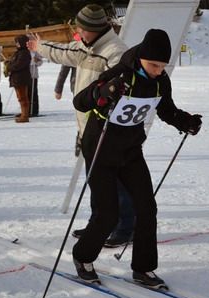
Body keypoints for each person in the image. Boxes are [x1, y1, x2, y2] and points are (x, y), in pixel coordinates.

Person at [71, 29, 202, 287]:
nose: (158, 70)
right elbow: (80, 102)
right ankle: (83, 257)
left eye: (162, 66)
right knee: (107, 213)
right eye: (153, 65)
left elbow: (166, 110)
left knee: (146, 209)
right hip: (100, 148)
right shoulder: (121, 74)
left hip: (130, 150)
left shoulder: (160, 81)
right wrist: (103, 93)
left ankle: (143, 268)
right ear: (141, 57)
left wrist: (185, 121)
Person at [28, 4, 135, 247]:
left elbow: (121, 92)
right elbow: (63, 52)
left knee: (116, 181)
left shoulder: (115, 52)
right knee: (95, 180)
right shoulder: (85, 46)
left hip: (108, 130)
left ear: (94, 29)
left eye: (81, 29)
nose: (78, 33)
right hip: (88, 127)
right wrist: (39, 46)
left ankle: (126, 227)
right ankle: (100, 223)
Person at [8, 35, 32, 123]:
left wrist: (10, 67)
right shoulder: (18, 52)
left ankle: (25, 116)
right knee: (20, 97)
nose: (17, 44)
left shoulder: (24, 53)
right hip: (17, 78)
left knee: (23, 98)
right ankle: (23, 113)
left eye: (18, 42)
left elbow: (19, 65)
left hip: (21, 78)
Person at [28, 48, 42, 117]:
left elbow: (40, 62)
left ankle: (34, 110)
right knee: (26, 93)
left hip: (33, 75)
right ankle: (26, 110)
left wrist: (36, 61)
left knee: (33, 93)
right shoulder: (23, 50)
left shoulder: (35, 51)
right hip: (25, 74)